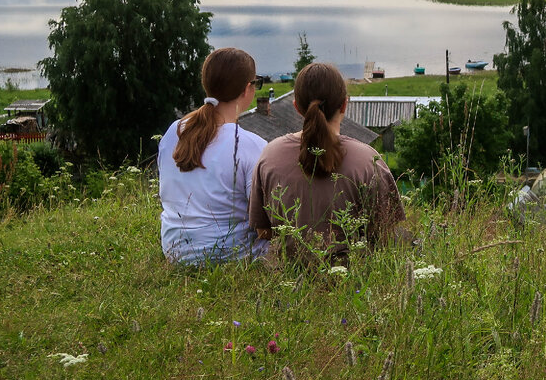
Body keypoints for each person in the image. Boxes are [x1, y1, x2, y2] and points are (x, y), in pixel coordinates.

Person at [249, 62, 405, 261]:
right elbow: (386, 234)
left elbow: (263, 231)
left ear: (296, 107)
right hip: (353, 284)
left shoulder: (269, 155)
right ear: (344, 104)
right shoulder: (368, 160)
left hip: (287, 279)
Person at [158, 47, 267, 263]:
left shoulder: (175, 130)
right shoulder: (251, 145)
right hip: (229, 255)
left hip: (174, 250)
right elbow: (264, 224)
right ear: (247, 89)